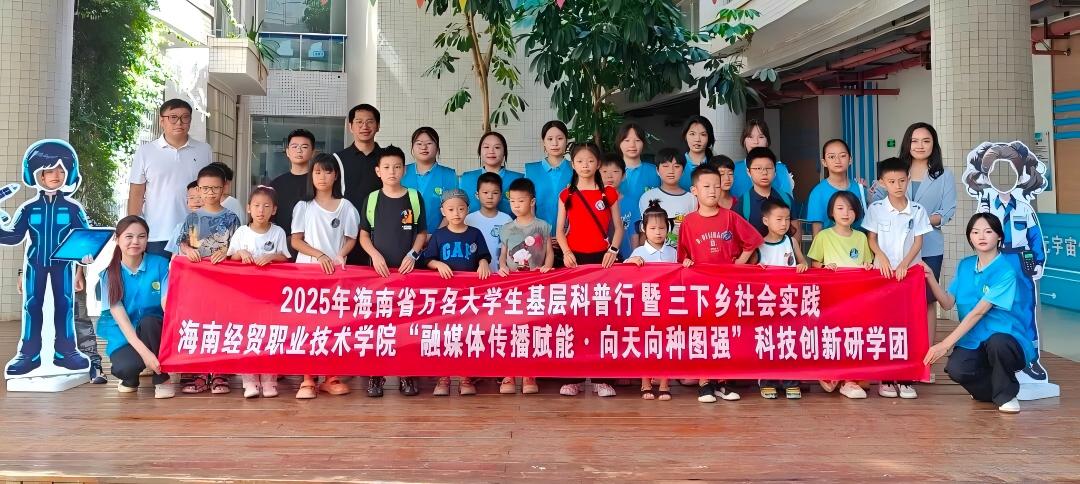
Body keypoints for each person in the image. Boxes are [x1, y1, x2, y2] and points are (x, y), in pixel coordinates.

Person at [923, 213, 1035, 414]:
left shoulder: (1006, 271)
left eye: (988, 231)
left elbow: (979, 312)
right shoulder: (965, 265)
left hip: (1007, 338)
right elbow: (947, 303)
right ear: (970, 237)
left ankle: (1007, 395)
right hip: (974, 339)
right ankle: (992, 390)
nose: (981, 236)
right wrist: (930, 276)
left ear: (999, 236)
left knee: (998, 343)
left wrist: (944, 345)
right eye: (975, 232)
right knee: (957, 369)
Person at [1, 140, 93, 376]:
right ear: (37, 173)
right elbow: (14, 236)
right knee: (32, 305)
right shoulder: (28, 208)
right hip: (35, 264)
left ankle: (66, 352)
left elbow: (84, 240)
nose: (56, 175)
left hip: (63, 265)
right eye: (50, 170)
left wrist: (82, 264)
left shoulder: (73, 209)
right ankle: (28, 354)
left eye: (61, 170)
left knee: (65, 304)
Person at [878, 122, 957, 382]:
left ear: (934, 144)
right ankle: (896, 358)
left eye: (926, 140)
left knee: (927, 300)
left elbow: (947, 211)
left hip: (929, 245)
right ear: (907, 143)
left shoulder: (944, 175)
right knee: (896, 301)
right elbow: (878, 202)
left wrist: (918, 219)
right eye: (914, 140)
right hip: (892, 248)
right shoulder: (896, 170)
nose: (920, 145)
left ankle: (925, 361)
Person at [678, 164, 763, 403]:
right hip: (700, 289)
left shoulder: (730, 217)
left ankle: (723, 382)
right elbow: (682, 256)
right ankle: (705, 382)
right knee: (703, 333)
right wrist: (686, 262)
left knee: (724, 334)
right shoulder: (688, 222)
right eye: (706, 186)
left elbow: (753, 240)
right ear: (694, 190)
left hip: (727, 288)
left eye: (716, 186)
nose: (712, 191)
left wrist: (741, 263)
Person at [555, 143, 624, 398]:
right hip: (574, 261)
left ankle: (602, 379)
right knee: (573, 319)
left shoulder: (608, 193)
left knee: (601, 318)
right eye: (580, 161)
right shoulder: (567, 194)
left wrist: (613, 251)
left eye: (590, 160)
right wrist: (566, 253)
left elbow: (619, 227)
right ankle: (572, 379)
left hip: (602, 260)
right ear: (573, 165)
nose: (585, 165)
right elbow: (559, 230)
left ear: (598, 164)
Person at [359, 146, 427, 398]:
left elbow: (421, 232)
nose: (392, 172)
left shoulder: (414, 197)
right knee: (378, 325)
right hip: (378, 275)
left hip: (408, 273)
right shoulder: (372, 199)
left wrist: (413, 255)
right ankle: (376, 375)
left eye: (397, 167)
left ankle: (407, 374)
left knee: (407, 324)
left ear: (404, 170)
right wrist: (375, 255)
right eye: (386, 167)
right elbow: (364, 235)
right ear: (378, 171)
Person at [290, 153, 360, 399]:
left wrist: (340, 255)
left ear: (335, 176)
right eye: (317, 172)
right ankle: (308, 378)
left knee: (333, 326)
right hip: (307, 276)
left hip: (335, 278)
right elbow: (296, 240)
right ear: (311, 175)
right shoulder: (303, 206)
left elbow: (351, 238)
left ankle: (332, 377)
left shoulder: (346, 206)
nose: (322, 177)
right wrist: (319, 255)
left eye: (327, 172)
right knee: (309, 326)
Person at [864, 157, 933, 399]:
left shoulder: (918, 210)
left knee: (908, 325)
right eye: (892, 181)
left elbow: (918, 241)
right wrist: (881, 257)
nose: (897, 186)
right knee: (884, 325)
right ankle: (885, 378)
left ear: (908, 179)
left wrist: (905, 264)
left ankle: (905, 378)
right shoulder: (876, 209)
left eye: (902, 181)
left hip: (908, 276)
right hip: (882, 276)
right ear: (882, 183)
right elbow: (871, 239)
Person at [175, 164, 241, 395]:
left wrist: (226, 252)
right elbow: (182, 242)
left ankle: (221, 371)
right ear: (198, 190)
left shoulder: (232, 218)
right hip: (197, 281)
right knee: (199, 324)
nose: (210, 193)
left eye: (215, 188)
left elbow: (238, 246)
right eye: (205, 188)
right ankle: (200, 371)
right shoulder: (192, 218)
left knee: (221, 324)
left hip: (224, 282)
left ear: (224, 188)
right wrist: (187, 250)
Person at [421, 188, 492, 396]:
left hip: (469, 296)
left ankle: (465, 377)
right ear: (443, 211)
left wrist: (483, 263)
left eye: (461, 209)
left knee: (467, 334)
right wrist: (438, 264)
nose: (456, 213)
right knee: (445, 335)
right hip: (446, 297)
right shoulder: (439, 235)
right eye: (451, 209)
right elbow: (427, 259)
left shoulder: (474, 233)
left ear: (467, 210)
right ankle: (443, 377)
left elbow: (484, 255)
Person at [97, 216, 174, 398]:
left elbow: (167, 303)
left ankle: (162, 378)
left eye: (141, 236)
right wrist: (146, 355)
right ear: (117, 239)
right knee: (125, 367)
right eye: (129, 237)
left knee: (150, 321)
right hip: (125, 335)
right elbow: (123, 323)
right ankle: (130, 379)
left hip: (155, 329)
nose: (135, 242)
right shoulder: (109, 275)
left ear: (147, 239)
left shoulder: (160, 264)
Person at [807, 191, 874, 399]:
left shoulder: (861, 237)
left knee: (853, 336)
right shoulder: (823, 236)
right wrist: (825, 268)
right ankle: (833, 374)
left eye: (851, 209)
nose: (846, 213)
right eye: (840, 208)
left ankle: (849, 378)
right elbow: (815, 264)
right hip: (832, 298)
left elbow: (868, 263)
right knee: (833, 335)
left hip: (856, 298)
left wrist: (867, 266)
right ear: (831, 212)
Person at [128, 99, 212, 258]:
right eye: (173, 117)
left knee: (189, 275)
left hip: (194, 235)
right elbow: (136, 194)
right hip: (156, 234)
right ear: (162, 121)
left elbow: (210, 190)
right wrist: (131, 231)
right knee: (157, 274)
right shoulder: (145, 152)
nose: (179, 123)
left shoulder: (204, 150)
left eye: (185, 117)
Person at [228, 186, 290, 398]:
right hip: (245, 294)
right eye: (256, 206)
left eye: (266, 206)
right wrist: (241, 253)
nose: (261, 210)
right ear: (248, 208)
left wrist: (271, 256)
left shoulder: (278, 232)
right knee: (248, 335)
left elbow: (285, 257)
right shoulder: (241, 232)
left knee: (270, 335)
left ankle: (270, 380)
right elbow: (231, 258)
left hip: (270, 295)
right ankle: (249, 381)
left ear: (274, 209)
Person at [496, 178, 553, 395]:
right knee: (510, 328)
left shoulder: (543, 226)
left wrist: (547, 267)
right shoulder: (506, 228)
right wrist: (502, 267)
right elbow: (502, 254)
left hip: (536, 287)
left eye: (521, 200)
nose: (516, 205)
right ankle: (509, 373)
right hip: (512, 286)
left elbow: (549, 252)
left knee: (532, 328)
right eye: (512, 201)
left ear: (532, 201)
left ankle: (529, 373)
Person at [753, 199, 808, 399]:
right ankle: (768, 380)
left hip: (789, 302)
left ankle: (790, 381)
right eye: (779, 219)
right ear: (766, 221)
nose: (784, 223)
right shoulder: (758, 245)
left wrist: (802, 267)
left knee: (789, 340)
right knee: (768, 341)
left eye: (787, 219)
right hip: (767, 303)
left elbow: (803, 263)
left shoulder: (791, 242)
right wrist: (756, 270)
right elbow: (749, 273)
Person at [626, 200, 678, 401]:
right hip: (645, 307)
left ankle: (664, 383)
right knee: (645, 344)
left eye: (662, 228)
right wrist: (630, 262)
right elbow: (623, 274)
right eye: (653, 228)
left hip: (667, 307)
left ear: (668, 228)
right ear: (644, 229)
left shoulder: (673, 252)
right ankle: (645, 383)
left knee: (666, 344)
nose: (658, 232)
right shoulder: (638, 253)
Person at [335, 104, 384, 265]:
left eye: (370, 121)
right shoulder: (337, 159)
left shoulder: (387, 158)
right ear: (350, 126)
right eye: (359, 122)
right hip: (346, 231)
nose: (365, 126)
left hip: (381, 230)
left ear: (378, 126)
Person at [402, 127, 459, 235]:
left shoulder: (449, 175)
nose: (424, 147)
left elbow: (453, 210)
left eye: (429, 143)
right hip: (404, 237)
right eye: (419, 143)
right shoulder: (402, 172)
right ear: (412, 147)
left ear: (437, 147)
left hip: (438, 237)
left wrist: (435, 237)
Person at [270, 128, 316, 258]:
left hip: (313, 246)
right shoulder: (276, 184)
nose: (299, 150)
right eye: (294, 146)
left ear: (313, 152)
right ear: (287, 152)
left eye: (304, 147)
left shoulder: (318, 182)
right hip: (281, 246)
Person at [806, 139, 867, 236]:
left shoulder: (860, 189)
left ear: (850, 159)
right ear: (824, 162)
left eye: (842, 156)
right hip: (830, 244)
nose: (837, 161)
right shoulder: (818, 193)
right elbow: (817, 232)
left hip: (858, 243)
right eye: (831, 157)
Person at [735, 147, 798, 239]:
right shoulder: (742, 204)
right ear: (749, 172)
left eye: (768, 168)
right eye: (758, 168)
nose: (764, 172)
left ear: (775, 171)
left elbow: (795, 231)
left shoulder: (786, 198)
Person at [639, 148, 696, 249]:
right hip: (654, 256)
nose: (671, 171)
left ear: (683, 171)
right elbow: (643, 233)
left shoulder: (692, 199)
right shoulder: (647, 197)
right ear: (657, 170)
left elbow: (693, 232)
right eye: (665, 166)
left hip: (682, 255)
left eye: (676, 166)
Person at [523, 121, 573, 236]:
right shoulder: (530, 171)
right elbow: (524, 205)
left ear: (567, 141)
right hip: (536, 236)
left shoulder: (576, 170)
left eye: (560, 138)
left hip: (570, 236)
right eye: (550, 139)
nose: (555, 143)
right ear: (543, 142)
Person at [460, 131, 523, 214]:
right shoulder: (466, 179)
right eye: (486, 147)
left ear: (504, 152)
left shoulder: (519, 179)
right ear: (479, 151)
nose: (491, 151)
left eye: (497, 147)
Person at [732, 119, 793, 199]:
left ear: (767, 141)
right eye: (750, 137)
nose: (756, 142)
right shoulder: (734, 169)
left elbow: (788, 201)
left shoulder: (780, 169)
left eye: (761, 137)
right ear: (744, 141)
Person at [465, 172, 512, 272]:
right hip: (475, 274)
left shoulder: (506, 220)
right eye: (485, 192)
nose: (490, 196)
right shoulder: (469, 219)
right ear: (477, 195)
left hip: (501, 273)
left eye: (495, 193)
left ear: (500, 195)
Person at [599, 154, 634, 262]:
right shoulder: (594, 201)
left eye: (615, 171)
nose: (609, 176)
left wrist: (635, 254)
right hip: (600, 256)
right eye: (604, 171)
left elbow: (634, 233)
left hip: (627, 257)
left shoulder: (631, 202)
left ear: (623, 175)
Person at [164, 181, 203, 255]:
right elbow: (174, 256)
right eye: (191, 198)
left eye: (200, 197)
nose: (196, 201)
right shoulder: (180, 227)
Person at [678, 116, 715, 190]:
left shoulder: (716, 165)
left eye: (703, 134)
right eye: (692, 134)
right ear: (685, 136)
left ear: (709, 138)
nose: (697, 139)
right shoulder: (676, 164)